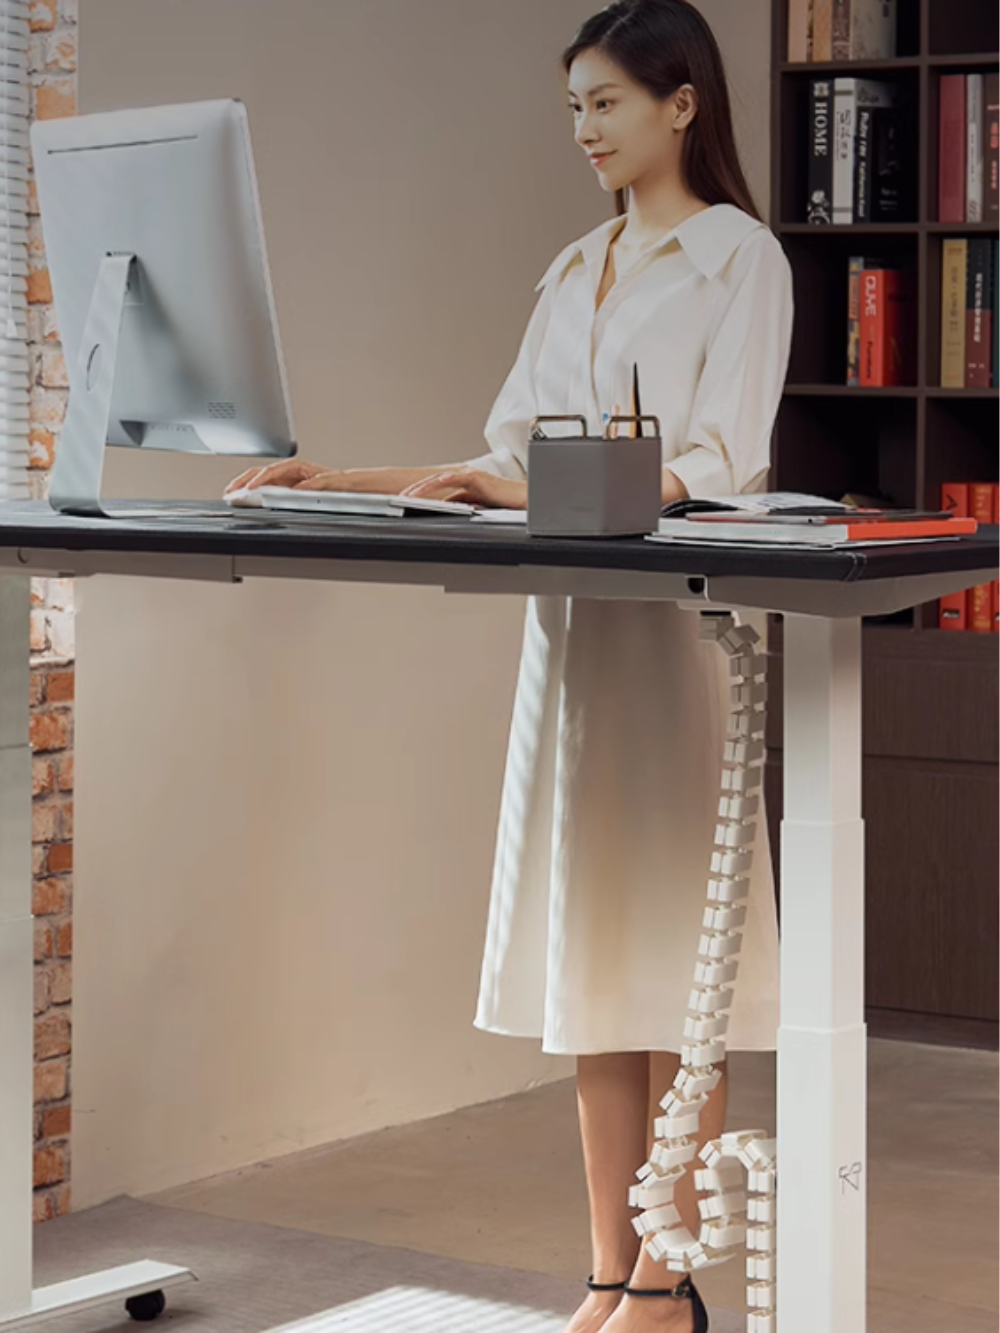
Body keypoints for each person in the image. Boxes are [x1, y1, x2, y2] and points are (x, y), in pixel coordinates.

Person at [227, 3, 792, 1329]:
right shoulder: (573, 266)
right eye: (574, 112)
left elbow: (721, 458)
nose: (586, 133)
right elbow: (498, 457)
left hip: (675, 631)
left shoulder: (736, 261)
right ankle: (606, 1276)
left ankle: (671, 1283)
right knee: (592, 965)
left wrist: (557, 480)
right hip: (572, 629)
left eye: (605, 103)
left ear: (682, 104)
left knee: (675, 967)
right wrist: (344, 477)